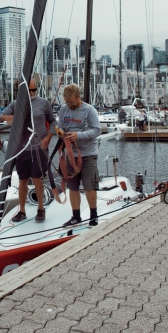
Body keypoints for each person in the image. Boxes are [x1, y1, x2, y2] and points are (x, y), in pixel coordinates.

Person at [0, 79, 57, 222]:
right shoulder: (16, 104)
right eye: (30, 90)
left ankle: (41, 209)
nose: (33, 93)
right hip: (22, 149)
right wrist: (5, 117)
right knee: (23, 181)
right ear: (23, 91)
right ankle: (22, 211)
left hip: (40, 147)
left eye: (35, 90)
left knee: (37, 178)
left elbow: (53, 121)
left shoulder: (43, 103)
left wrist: (49, 136)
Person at [57, 83, 102, 227]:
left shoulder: (89, 110)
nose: (69, 105)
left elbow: (97, 130)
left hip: (88, 154)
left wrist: (78, 135)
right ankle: (76, 217)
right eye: (67, 102)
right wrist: (61, 132)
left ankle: (93, 216)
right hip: (71, 155)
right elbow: (61, 126)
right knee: (73, 187)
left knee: (89, 187)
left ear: (78, 97)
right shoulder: (63, 110)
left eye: (72, 102)